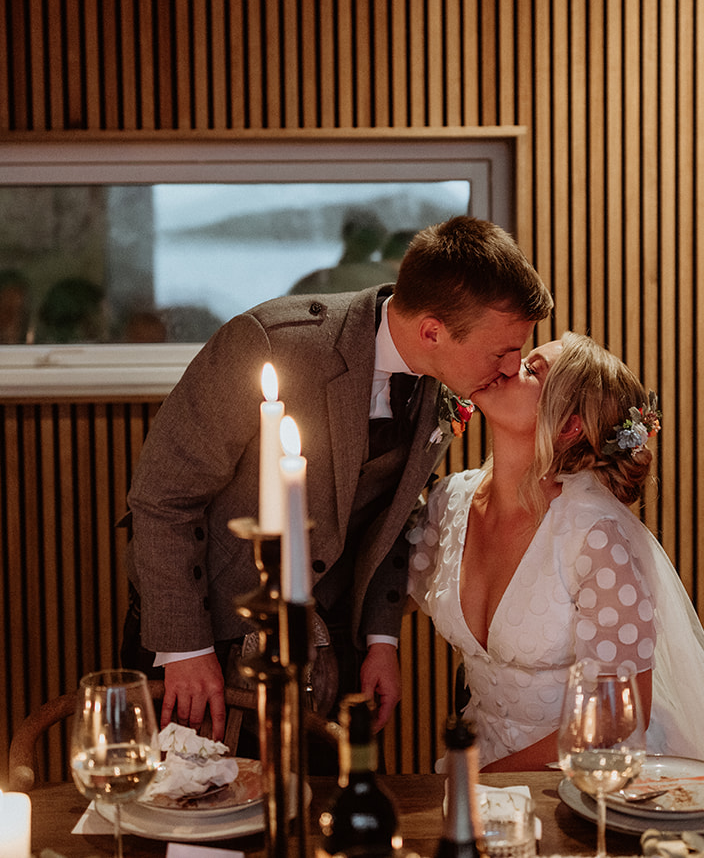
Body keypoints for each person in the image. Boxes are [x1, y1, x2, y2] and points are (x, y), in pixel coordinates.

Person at [122, 216, 552, 737]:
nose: (512, 368)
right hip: (211, 641)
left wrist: (380, 640)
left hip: (335, 655)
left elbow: (396, 517)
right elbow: (163, 499)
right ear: (432, 331)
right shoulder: (270, 344)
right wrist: (187, 649)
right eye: (501, 351)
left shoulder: (446, 378)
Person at [406, 332, 704, 771]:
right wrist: (379, 643)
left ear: (568, 426)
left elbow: (616, 722)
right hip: (482, 770)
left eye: (531, 369)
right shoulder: (451, 502)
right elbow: (388, 590)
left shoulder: (594, 537)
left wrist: (484, 781)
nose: (506, 362)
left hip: (589, 780)